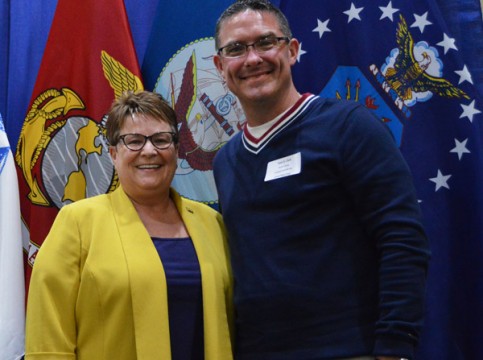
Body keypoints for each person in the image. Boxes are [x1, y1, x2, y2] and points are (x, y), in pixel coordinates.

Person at [212, 1, 430, 359]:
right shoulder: (225, 161)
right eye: (236, 48)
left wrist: (394, 345)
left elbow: (403, 239)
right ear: (221, 67)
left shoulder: (349, 126)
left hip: (350, 349)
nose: (252, 59)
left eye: (266, 42)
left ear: (292, 50)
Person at [25, 90, 234, 359]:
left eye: (161, 140)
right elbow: (48, 342)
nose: (149, 151)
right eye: (134, 141)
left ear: (176, 149)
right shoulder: (76, 223)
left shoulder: (212, 223)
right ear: (113, 153)